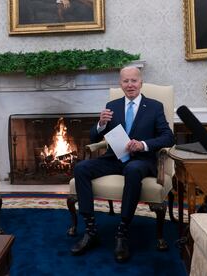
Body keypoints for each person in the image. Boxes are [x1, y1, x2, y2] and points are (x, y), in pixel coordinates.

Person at [71, 66, 175, 262]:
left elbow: (168, 137)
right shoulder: (113, 105)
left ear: (141, 82)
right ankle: (91, 229)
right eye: (125, 81)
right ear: (120, 84)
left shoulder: (154, 106)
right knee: (81, 168)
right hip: (115, 158)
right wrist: (100, 124)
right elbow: (95, 136)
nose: (130, 85)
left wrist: (143, 145)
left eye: (134, 80)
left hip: (142, 161)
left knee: (133, 169)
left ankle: (122, 231)